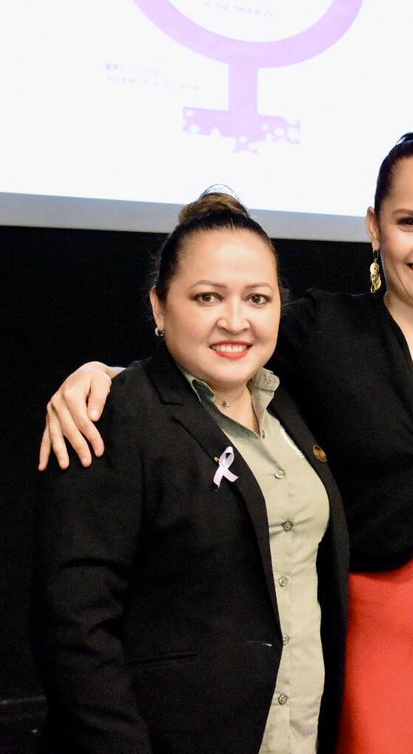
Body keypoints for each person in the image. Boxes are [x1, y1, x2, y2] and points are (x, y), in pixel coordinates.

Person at [38, 133, 413, 754]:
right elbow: (219, 347)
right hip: (375, 628)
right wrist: (103, 375)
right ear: (375, 227)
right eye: (410, 222)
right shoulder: (318, 330)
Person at [31, 192, 349, 753]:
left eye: (257, 297)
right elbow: (75, 630)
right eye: (207, 297)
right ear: (159, 306)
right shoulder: (113, 418)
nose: (235, 320)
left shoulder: (289, 410)